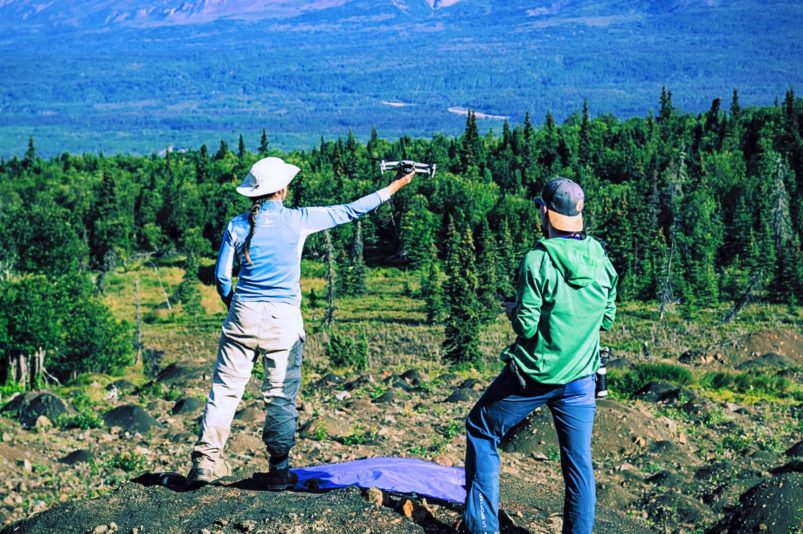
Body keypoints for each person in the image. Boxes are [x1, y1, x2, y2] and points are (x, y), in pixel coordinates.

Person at [187, 156, 414, 490]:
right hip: (283, 319)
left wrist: (232, 303)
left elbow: (222, 277)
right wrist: (395, 186)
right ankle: (279, 470)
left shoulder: (237, 225)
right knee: (279, 395)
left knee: (225, 391)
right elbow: (352, 209)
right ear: (282, 189)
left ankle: (205, 464)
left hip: (242, 312)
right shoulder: (300, 219)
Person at [462, 178, 617, 534]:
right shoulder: (601, 257)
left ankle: (483, 528)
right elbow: (605, 319)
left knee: (481, 428)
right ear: (579, 214)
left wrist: (513, 309)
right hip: (581, 379)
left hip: (534, 377)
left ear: (545, 211)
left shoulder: (537, 260)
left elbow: (527, 328)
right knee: (578, 465)